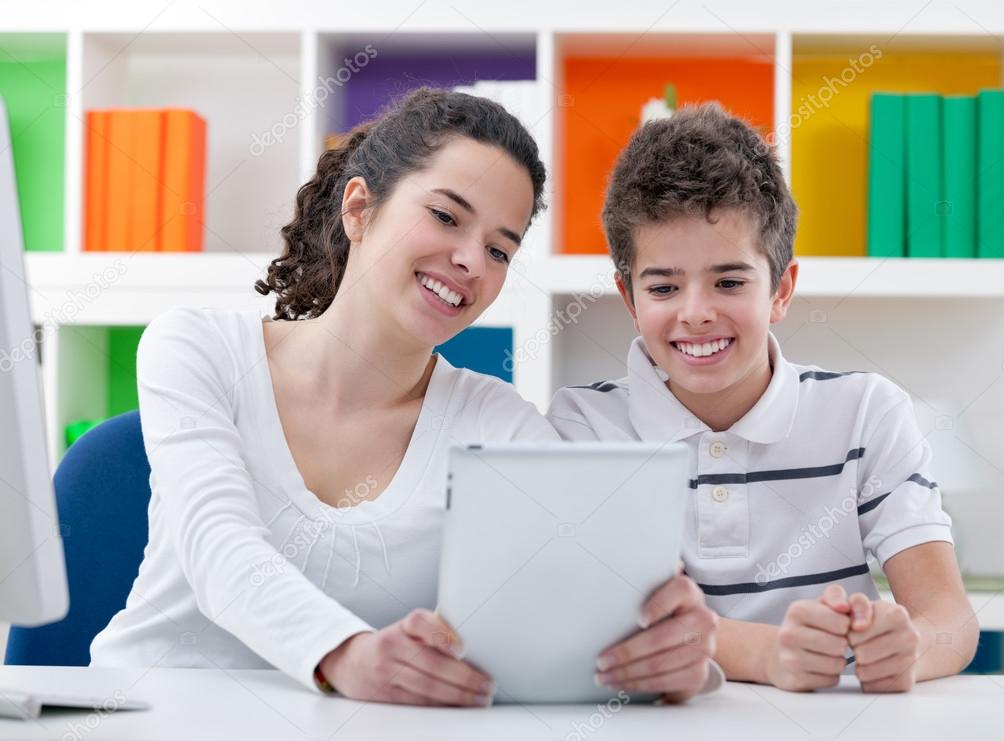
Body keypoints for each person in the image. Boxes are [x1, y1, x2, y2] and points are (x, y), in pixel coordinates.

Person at [89, 87, 717, 707]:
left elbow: (585, 596)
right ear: (358, 209)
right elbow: (219, 552)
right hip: (148, 711)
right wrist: (346, 656)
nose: (472, 260)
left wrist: (673, 654)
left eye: (500, 249)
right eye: (446, 216)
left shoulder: (495, 423)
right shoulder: (198, 347)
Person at [547, 102, 978, 693]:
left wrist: (911, 649)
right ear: (629, 297)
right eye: (664, 286)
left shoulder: (866, 414)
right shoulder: (584, 426)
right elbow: (615, 618)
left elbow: (950, 619)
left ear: (781, 289)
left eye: (729, 281)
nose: (696, 313)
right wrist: (771, 654)